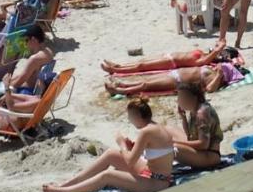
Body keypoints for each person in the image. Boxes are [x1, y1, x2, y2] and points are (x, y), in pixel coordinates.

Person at [42, 97, 175, 192]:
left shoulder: (146, 132)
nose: (130, 120)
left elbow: (130, 162)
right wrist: (130, 147)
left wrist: (122, 144)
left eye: (130, 117)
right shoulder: (155, 127)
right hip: (151, 173)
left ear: (138, 116)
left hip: (157, 183)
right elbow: (154, 152)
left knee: (108, 175)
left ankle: (62, 190)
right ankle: (67, 183)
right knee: (111, 154)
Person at [102, 60, 245, 96]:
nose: (219, 66)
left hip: (177, 81)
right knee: (146, 80)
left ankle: (120, 91)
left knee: (146, 85)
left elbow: (209, 90)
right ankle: (122, 84)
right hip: (175, 73)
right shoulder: (212, 70)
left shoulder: (216, 80)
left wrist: (219, 75)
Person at [172, 81, 224, 170]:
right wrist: (183, 118)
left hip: (209, 156)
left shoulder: (201, 114)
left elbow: (203, 145)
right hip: (200, 152)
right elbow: (189, 134)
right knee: (169, 130)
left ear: (193, 98)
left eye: (181, 97)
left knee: (170, 148)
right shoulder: (195, 110)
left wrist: (175, 143)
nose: (178, 101)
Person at [101, 42, 235, 74]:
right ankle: (117, 66)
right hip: (168, 56)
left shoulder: (205, 60)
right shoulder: (204, 53)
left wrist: (219, 50)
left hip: (171, 62)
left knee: (141, 67)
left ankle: (116, 70)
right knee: (141, 62)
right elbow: (217, 44)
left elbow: (208, 58)